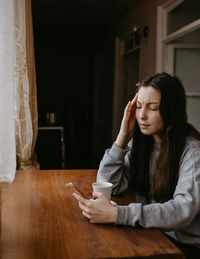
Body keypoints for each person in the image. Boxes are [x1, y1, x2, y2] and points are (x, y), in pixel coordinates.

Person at [73, 72, 200, 258]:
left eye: (153, 108)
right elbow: (110, 186)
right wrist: (122, 136)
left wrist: (118, 214)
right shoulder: (143, 143)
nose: (142, 115)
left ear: (171, 111)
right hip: (154, 232)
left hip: (186, 247)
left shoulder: (193, 151)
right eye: (138, 106)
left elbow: (183, 210)